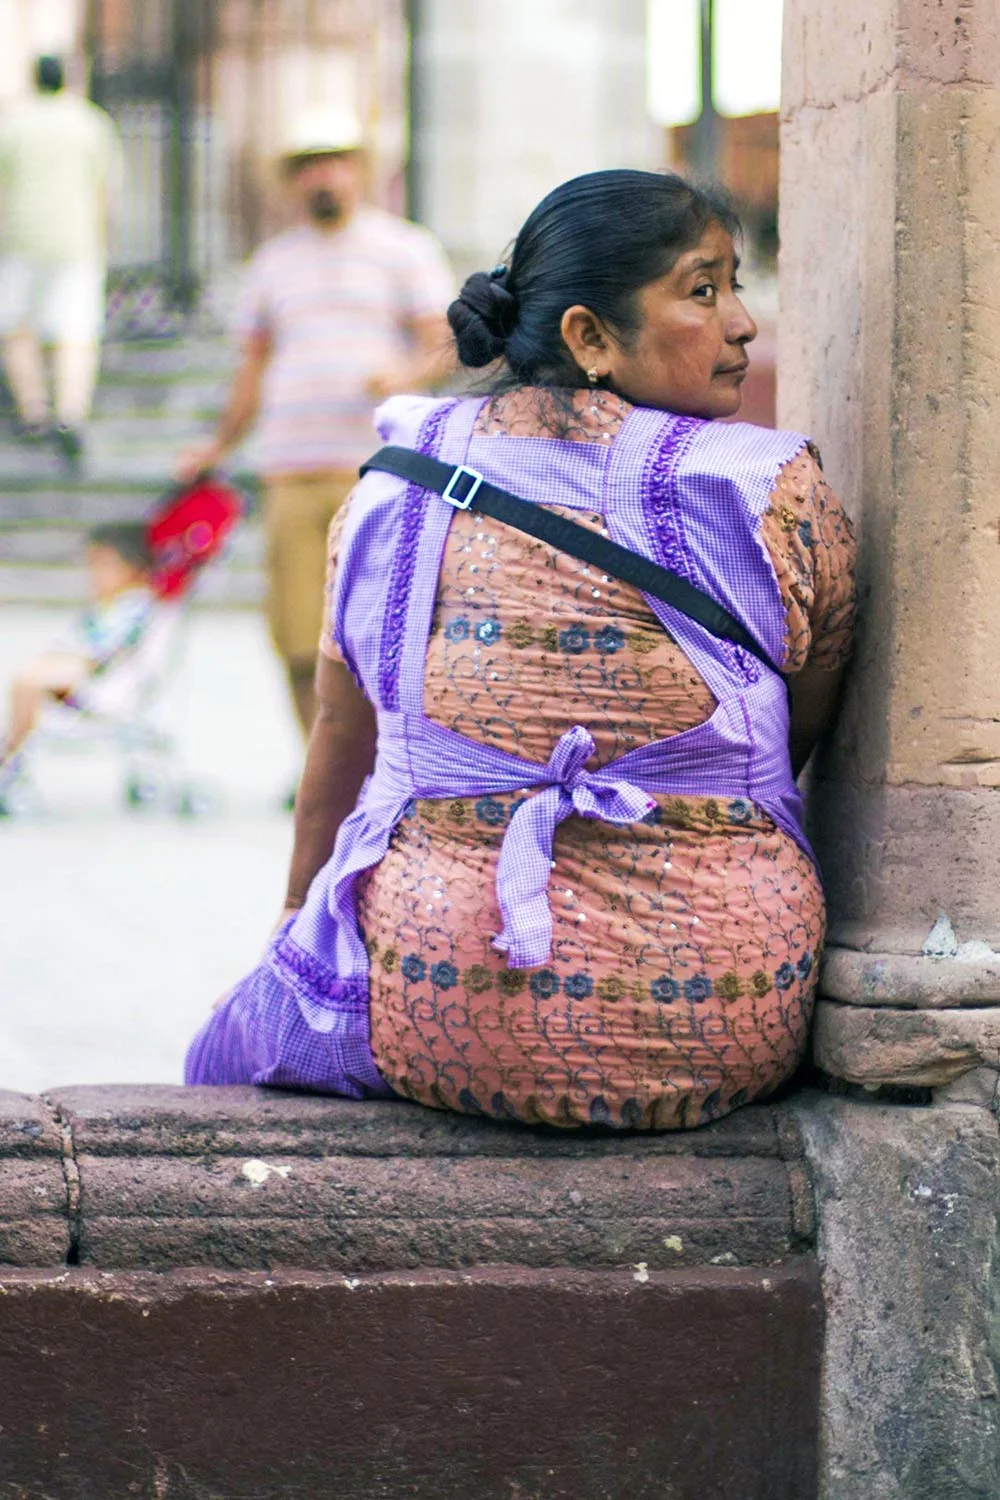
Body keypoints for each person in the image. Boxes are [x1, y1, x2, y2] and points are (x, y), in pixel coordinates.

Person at [186, 169, 857, 1131]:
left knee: (215, 1057)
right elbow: (799, 728)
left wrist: (297, 925)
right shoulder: (765, 492)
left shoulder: (398, 486)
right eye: (704, 290)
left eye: (732, 287)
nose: (744, 323)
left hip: (440, 1012)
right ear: (588, 337)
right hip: (725, 1019)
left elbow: (342, 730)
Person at [175, 106, 456, 740]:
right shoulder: (273, 263)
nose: (322, 177)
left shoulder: (403, 249)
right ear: (290, 180)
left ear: (360, 170)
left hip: (377, 473)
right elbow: (252, 367)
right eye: (307, 166)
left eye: (334, 162)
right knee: (298, 635)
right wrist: (217, 446)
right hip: (290, 472)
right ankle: (317, 767)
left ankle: (387, 766)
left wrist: (403, 374)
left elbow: (444, 343)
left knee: (384, 633)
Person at [0, 55, 122, 466]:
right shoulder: (90, 123)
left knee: (17, 329)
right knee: (77, 332)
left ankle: (33, 410)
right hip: (77, 240)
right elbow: (104, 188)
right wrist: (104, 236)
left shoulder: (14, 123)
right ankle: (70, 414)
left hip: (21, 238)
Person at [1, 522, 153, 764]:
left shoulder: (132, 606)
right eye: (92, 566)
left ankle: (12, 753)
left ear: (132, 568)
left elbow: (102, 651)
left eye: (104, 566)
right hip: (85, 671)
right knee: (26, 680)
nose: (95, 575)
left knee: (27, 682)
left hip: (98, 679)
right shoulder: (109, 605)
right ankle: (13, 749)